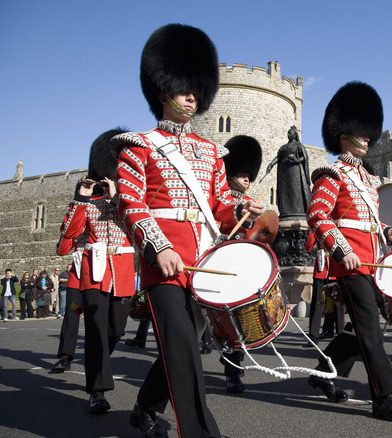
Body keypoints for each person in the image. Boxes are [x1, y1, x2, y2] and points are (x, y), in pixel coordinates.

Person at [115, 23, 261, 437]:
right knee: (181, 344)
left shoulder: (214, 152)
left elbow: (217, 205)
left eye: (197, 87)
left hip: (202, 259)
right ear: (163, 89)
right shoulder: (137, 146)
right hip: (162, 260)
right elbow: (130, 204)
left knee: (178, 347)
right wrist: (157, 247)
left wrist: (241, 209)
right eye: (184, 87)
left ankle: (144, 407)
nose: (193, 95)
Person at [306, 81, 392, 422]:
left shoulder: (367, 179)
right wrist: (340, 251)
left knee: (365, 328)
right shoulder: (332, 174)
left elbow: (366, 221)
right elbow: (318, 217)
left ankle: (323, 373)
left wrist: (386, 231)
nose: (368, 139)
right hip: (350, 264)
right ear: (343, 134)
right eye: (361, 133)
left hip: (371, 261)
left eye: (369, 133)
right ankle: (383, 397)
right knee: (369, 330)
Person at [59, 128, 135, 414]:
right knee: (95, 330)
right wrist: (81, 199)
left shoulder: (128, 200)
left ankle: (96, 362)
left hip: (123, 274)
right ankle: (97, 391)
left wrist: (118, 199)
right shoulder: (86, 203)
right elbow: (66, 241)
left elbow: (137, 228)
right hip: (94, 274)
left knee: (115, 329)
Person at [216, 134, 267, 394]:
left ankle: (233, 370)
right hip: (214, 262)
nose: (247, 178)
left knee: (235, 323)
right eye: (241, 173)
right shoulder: (220, 197)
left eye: (249, 174)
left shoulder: (248, 203)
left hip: (237, 266)